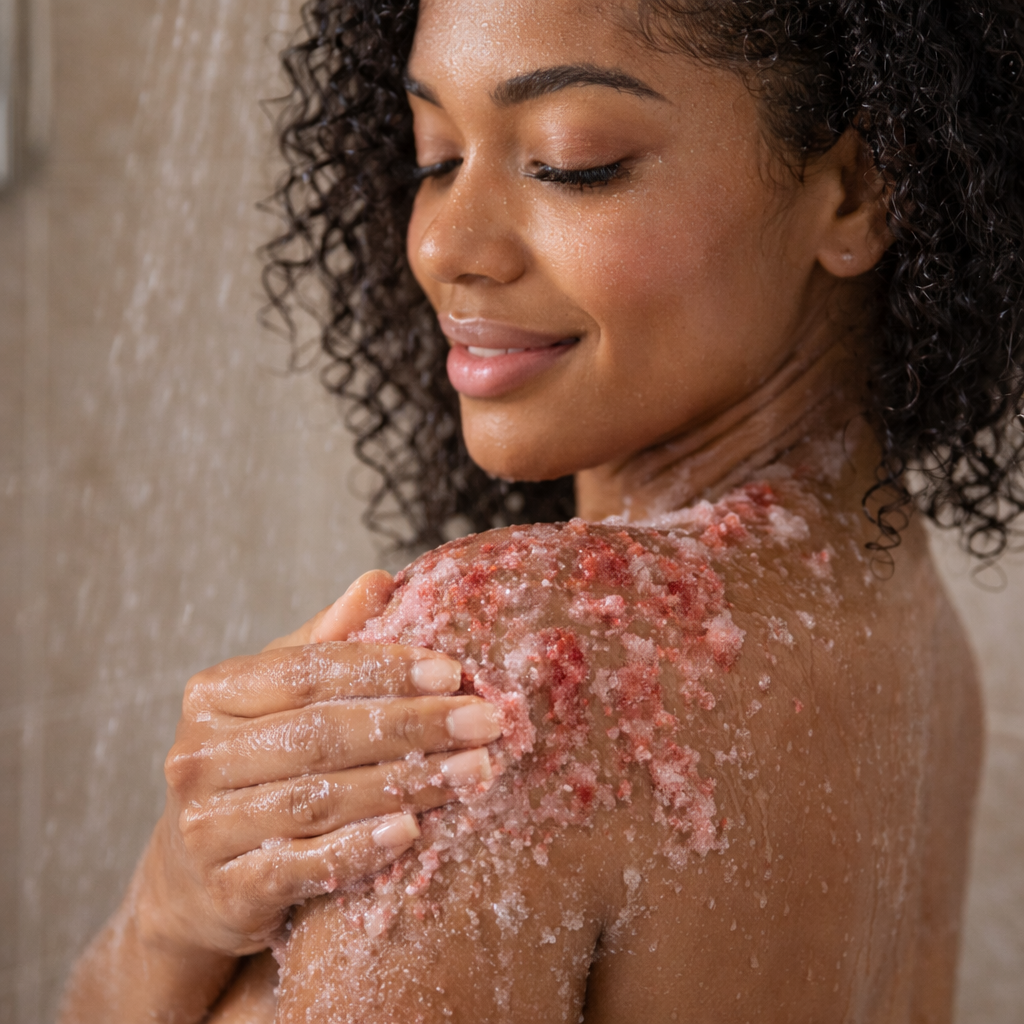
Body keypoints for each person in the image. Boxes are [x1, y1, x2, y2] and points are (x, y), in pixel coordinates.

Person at [60, 0, 1023, 1021]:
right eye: (437, 157)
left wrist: (161, 923)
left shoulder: (510, 658)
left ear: (858, 191)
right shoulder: (895, 603)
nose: (446, 244)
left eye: (571, 164)